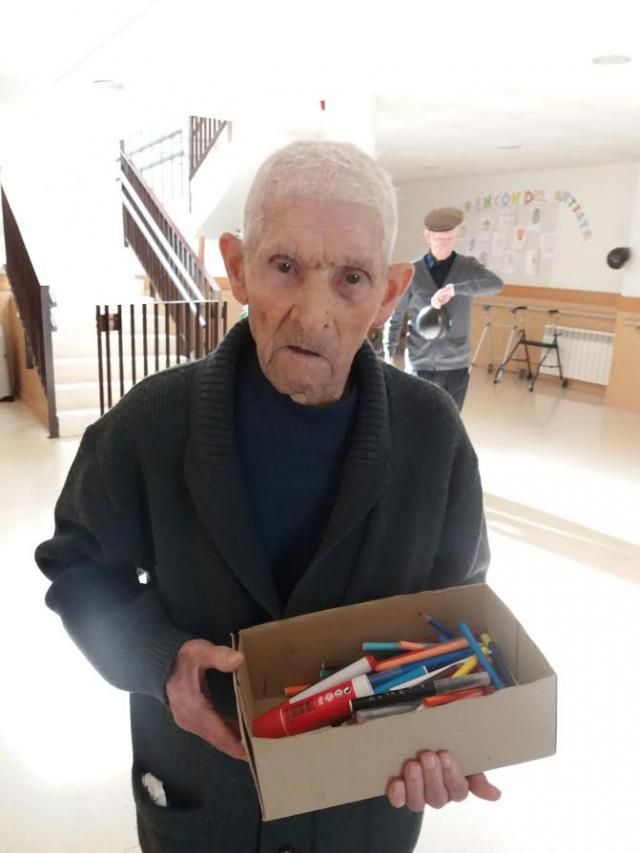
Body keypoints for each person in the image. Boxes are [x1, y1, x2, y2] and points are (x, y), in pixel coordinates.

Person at [35, 141, 500, 853]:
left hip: (360, 809)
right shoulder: (151, 425)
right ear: (237, 267)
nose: (313, 315)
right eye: (284, 266)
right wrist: (158, 657)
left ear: (388, 294)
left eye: (350, 278)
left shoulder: (432, 437)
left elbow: (458, 605)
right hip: (203, 801)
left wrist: (442, 725)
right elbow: (76, 564)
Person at [385, 207, 503, 409]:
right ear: (428, 237)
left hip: (455, 364)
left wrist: (456, 289)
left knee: (451, 422)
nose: (444, 244)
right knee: (417, 420)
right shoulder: (413, 271)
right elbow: (396, 314)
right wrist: (389, 351)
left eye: (449, 238)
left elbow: (496, 284)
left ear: (457, 234)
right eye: (439, 239)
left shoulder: (468, 267)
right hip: (419, 362)